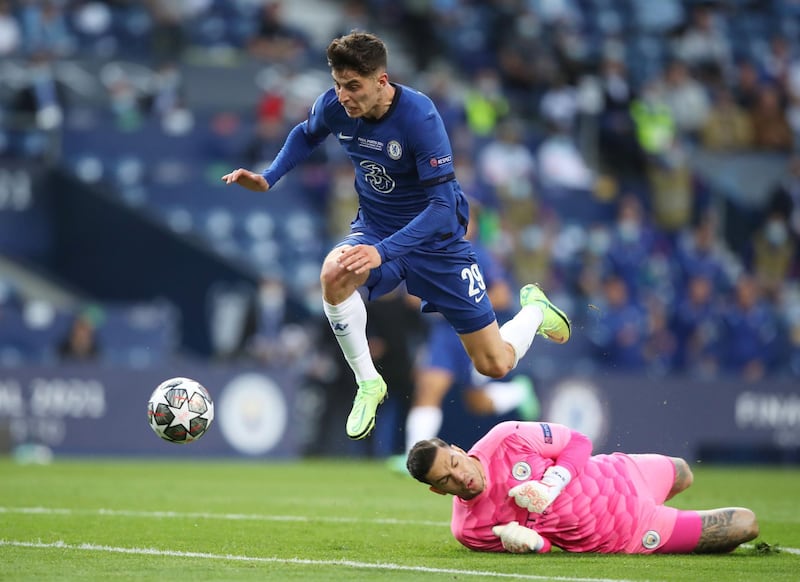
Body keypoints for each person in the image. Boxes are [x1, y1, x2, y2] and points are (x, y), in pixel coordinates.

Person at [222, 31, 571, 441]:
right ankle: (369, 382)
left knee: (493, 364)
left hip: (435, 241)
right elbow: (306, 132)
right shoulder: (336, 106)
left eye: (353, 86)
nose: (344, 96)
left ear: (381, 81)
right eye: (338, 85)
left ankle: (534, 311)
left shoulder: (419, 117)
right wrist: (268, 177)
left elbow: (442, 209)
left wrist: (381, 252)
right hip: (375, 226)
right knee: (333, 274)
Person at [407, 421, 759, 554]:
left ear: (456, 449)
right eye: (445, 481)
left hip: (621, 471)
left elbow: (578, 441)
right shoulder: (469, 530)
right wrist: (529, 544)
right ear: (439, 491)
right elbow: (543, 547)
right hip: (628, 531)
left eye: (454, 464)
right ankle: (671, 525)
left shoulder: (506, 437)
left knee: (684, 472)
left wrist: (553, 481)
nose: (459, 477)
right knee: (746, 524)